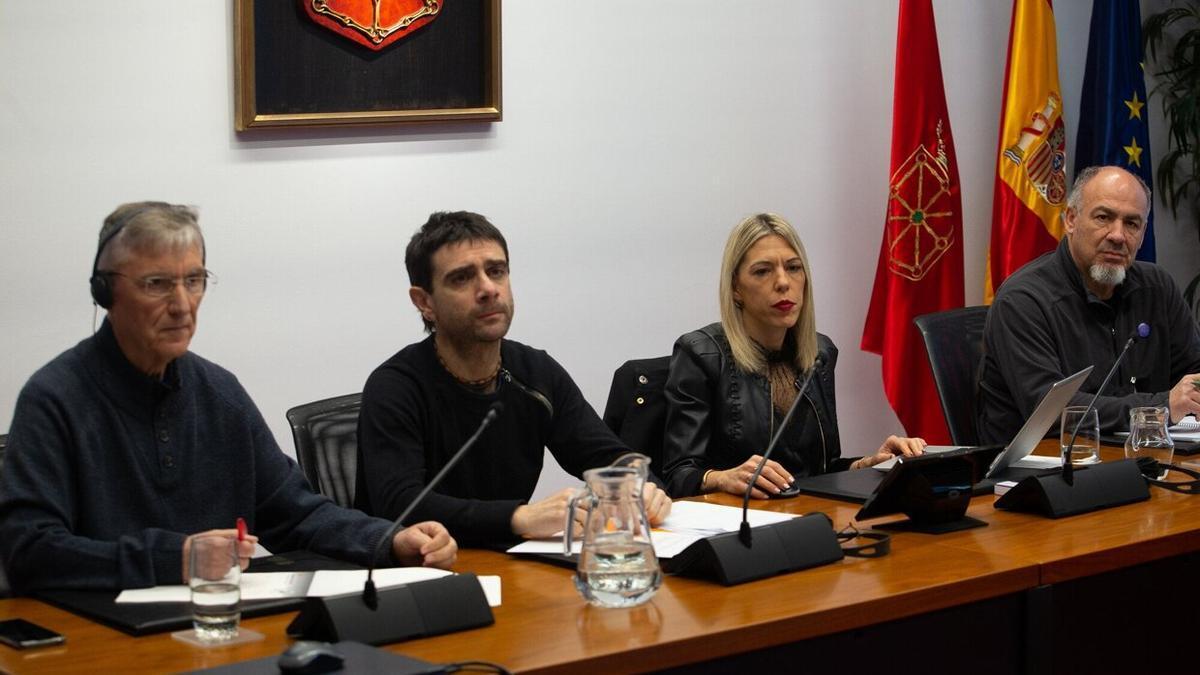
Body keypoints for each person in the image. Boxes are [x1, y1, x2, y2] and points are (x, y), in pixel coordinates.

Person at [0, 202, 457, 594]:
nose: (182, 304)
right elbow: (28, 549)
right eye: (157, 284)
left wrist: (392, 540)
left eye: (194, 280)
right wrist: (175, 558)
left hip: (215, 629)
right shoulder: (54, 399)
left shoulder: (218, 393)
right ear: (106, 292)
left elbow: (296, 513)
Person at [355, 211, 671, 547]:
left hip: (510, 566)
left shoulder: (535, 371)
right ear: (425, 302)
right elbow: (402, 505)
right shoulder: (394, 387)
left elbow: (606, 454)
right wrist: (518, 518)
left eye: (496, 271)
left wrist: (642, 484)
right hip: (418, 574)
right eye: (462, 278)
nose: (488, 289)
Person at [662, 213, 926, 499]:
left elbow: (821, 470)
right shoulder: (701, 354)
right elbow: (678, 475)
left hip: (809, 521)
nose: (783, 282)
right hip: (739, 525)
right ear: (736, 288)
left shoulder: (820, 353)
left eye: (793, 268)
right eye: (762, 271)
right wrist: (723, 477)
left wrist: (870, 465)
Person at [978, 166, 1200, 444]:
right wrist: (1162, 406)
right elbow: (1052, 412)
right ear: (1071, 219)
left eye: (1131, 223)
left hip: (1142, 460)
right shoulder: (1023, 301)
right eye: (1104, 217)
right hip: (1042, 472)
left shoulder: (1157, 287)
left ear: (1143, 233)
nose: (1118, 235)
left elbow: (1194, 373)